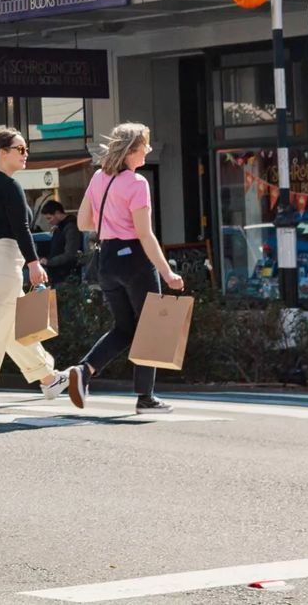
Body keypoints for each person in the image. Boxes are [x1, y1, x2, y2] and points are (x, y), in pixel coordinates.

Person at [65, 122, 184, 412]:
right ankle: (146, 398)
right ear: (132, 150)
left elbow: (82, 223)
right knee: (151, 327)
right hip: (134, 260)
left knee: (125, 327)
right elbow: (145, 234)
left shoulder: (98, 178)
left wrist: (111, 221)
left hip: (107, 259)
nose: (149, 150)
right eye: (145, 145)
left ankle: (84, 371)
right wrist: (168, 273)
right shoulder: (137, 183)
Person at [0, 129, 72, 409]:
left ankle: (48, 378)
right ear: (2, 153)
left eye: (26, 149)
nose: (25, 154)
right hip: (1, 262)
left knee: (12, 328)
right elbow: (21, 228)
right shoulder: (9, 185)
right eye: (20, 149)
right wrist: (34, 263)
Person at [39, 199, 83, 287]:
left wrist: (49, 262)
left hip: (65, 275)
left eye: (49, 218)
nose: (49, 222)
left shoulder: (70, 228)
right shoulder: (61, 226)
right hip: (60, 273)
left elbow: (70, 254)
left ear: (58, 213)